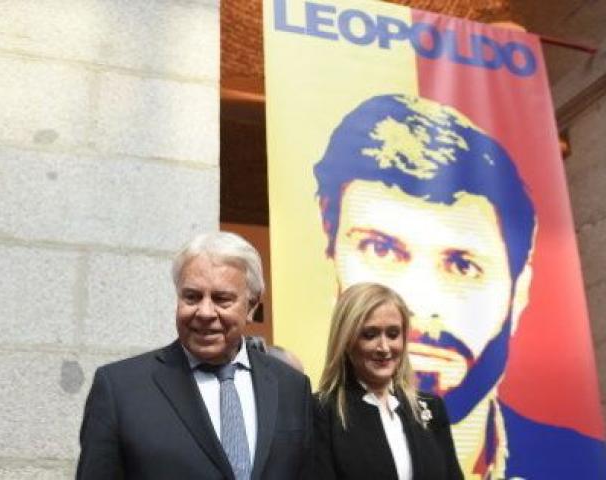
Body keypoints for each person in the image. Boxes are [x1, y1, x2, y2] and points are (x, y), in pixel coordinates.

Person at [313, 94, 606, 478]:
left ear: (518, 292)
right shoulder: (316, 417)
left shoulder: (430, 412)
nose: (421, 303)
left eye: (462, 265)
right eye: (381, 249)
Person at [77, 232, 313, 479]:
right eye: (192, 297)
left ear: (252, 306)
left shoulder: (292, 388)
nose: (205, 312)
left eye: (222, 299)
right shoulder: (121, 389)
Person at [314, 282, 463, 480]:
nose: (384, 347)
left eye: (393, 334)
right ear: (346, 341)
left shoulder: (431, 408)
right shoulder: (321, 412)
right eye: (370, 335)